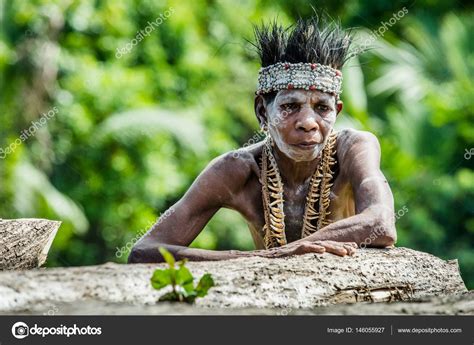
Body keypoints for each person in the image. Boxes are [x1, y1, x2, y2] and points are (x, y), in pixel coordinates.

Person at [128, 15, 396, 263]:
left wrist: (284, 253)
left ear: (336, 112)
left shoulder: (354, 147)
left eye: (322, 108)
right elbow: (143, 251)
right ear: (261, 112)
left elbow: (381, 223)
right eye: (290, 107)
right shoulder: (237, 169)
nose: (307, 123)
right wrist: (261, 259)